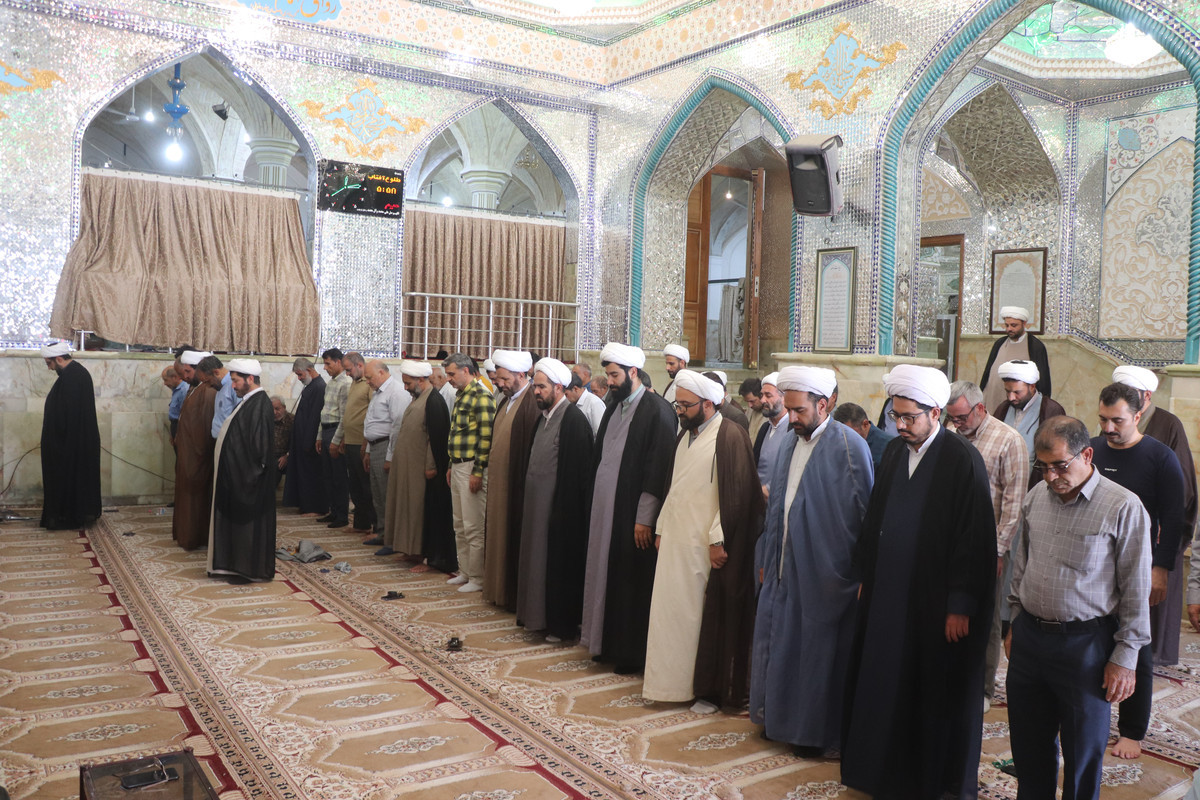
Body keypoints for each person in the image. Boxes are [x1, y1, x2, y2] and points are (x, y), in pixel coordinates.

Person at [841, 365, 996, 800]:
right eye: (896, 416)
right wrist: (866, 577)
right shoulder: (894, 452)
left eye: (910, 417)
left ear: (936, 413)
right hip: (887, 597)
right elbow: (875, 520)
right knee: (883, 681)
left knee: (926, 690)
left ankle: (926, 782)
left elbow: (973, 540)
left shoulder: (962, 459)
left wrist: (960, 604)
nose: (901, 425)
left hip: (934, 604)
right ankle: (880, 774)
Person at [1006, 416, 1150, 800]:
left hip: (1085, 645)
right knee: (1028, 746)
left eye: (1059, 465)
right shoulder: (1036, 497)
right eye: (1043, 467)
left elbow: (1136, 591)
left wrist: (1125, 658)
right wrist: (1015, 621)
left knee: (1082, 751)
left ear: (1086, 455)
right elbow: (1021, 565)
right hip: (1030, 639)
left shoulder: (1123, 506)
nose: (1051, 476)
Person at [751, 366, 871, 755]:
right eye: (789, 410)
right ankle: (778, 720)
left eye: (799, 410)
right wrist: (769, 555)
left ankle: (812, 734)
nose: (792, 418)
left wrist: (855, 577)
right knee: (780, 644)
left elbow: (866, 519)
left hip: (825, 576)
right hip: (783, 567)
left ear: (824, 404)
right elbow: (778, 507)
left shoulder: (850, 446)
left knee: (816, 656)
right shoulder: (789, 440)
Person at [643, 369, 763, 711]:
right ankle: (671, 685)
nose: (679, 411)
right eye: (678, 405)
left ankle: (706, 688)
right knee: (672, 617)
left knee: (701, 619)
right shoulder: (685, 435)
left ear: (708, 404)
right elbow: (673, 488)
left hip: (704, 547)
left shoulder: (730, 435)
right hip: (676, 543)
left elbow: (737, 495)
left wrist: (718, 540)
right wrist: (661, 528)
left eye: (685, 405)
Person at [1089, 381, 1186, 760]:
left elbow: (1174, 519)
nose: (1108, 428)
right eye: (1103, 419)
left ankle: (1131, 730)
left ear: (1138, 415)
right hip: (1091, 569)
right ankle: (1087, 716)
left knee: (1135, 647)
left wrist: (1161, 569)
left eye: (1117, 420)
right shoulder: (1092, 449)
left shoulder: (1160, 457)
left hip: (1138, 568)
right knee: (1089, 643)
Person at [581, 343, 677, 674]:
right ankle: (604, 644)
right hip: (606, 511)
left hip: (633, 517)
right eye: (607, 375)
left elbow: (657, 468)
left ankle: (629, 653)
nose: (609, 382)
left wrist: (644, 518)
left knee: (629, 582)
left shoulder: (657, 411)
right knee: (604, 575)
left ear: (633, 372)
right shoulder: (614, 406)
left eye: (614, 375)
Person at [943, 380, 1028, 710]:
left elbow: (1013, 503)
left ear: (980, 408)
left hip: (986, 547)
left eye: (962, 417)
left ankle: (982, 688)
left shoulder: (1008, 440)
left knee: (985, 619)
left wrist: (998, 550)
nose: (957, 423)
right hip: (949, 544)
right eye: (952, 418)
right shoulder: (950, 434)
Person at [1114, 364, 1198, 668]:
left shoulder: (1168, 424)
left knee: (1152, 597)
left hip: (1156, 523)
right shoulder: (1114, 422)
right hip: (1118, 522)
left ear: (1146, 396)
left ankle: (1149, 659)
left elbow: (1182, 482)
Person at [515, 358, 595, 641]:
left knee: (557, 567)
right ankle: (536, 618)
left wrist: (562, 513)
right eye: (535, 387)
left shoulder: (573, 421)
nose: (536, 392)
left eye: (542, 387)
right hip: (536, 510)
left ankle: (560, 626)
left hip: (559, 513)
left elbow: (577, 478)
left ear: (559, 387)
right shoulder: (544, 417)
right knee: (535, 562)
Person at [207, 359, 275, 583]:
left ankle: (247, 570)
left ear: (250, 379)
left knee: (248, 527)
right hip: (237, 476)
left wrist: (246, 476)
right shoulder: (249, 401)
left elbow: (259, 448)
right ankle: (234, 566)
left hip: (247, 479)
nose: (233, 385)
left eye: (236, 381)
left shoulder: (260, 404)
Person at [483, 350, 540, 609]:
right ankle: (496, 591)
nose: (501, 384)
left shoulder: (531, 403)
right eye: (499, 379)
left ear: (521, 374)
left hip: (514, 488)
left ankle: (509, 595)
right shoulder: (505, 401)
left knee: (511, 539)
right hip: (498, 485)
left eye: (505, 379)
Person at [384, 361, 452, 570]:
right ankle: (412, 551)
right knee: (408, 509)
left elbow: (436, 439)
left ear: (421, 380)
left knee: (422, 512)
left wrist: (430, 466)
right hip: (409, 468)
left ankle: (429, 557)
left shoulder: (434, 401)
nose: (405, 387)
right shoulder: (419, 398)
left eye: (408, 383)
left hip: (423, 471)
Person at [444, 353, 496, 593]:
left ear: (466, 371)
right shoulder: (461, 394)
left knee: (473, 525)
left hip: (472, 467)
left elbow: (486, 438)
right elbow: (456, 434)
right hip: (458, 465)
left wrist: (478, 472)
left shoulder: (481, 396)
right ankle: (464, 571)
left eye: (452, 374)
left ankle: (478, 577)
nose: (449, 379)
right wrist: (450, 465)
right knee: (459, 523)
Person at [38, 341, 101, 530]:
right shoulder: (74, 374)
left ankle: (69, 516)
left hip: (71, 444)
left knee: (70, 480)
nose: (49, 368)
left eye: (49, 363)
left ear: (59, 359)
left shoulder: (73, 376)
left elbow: (68, 416)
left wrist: (57, 441)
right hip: (72, 442)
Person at [361, 360, 410, 554]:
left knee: (388, 494)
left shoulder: (396, 392)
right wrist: (367, 451)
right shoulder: (378, 391)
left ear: (381, 373)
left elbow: (397, 427)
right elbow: (372, 422)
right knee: (378, 494)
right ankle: (382, 533)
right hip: (375, 447)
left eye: (369, 377)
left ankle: (392, 540)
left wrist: (390, 456)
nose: (367, 381)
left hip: (386, 447)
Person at [173, 349, 217, 550]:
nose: (185, 376)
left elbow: (206, 428)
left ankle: (194, 538)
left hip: (197, 457)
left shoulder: (207, 391)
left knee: (196, 500)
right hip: (188, 455)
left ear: (199, 370)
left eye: (188, 372)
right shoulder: (196, 388)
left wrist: (197, 455)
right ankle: (187, 536)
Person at [993, 359, 1064, 482]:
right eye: (1008, 391)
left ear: (1032, 386)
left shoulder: (1051, 410)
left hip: (1033, 482)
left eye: (1017, 392)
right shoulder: (1003, 408)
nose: (1011, 397)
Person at [980, 305, 1051, 413]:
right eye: (1007, 325)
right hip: (993, 400)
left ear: (1024, 324)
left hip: (1021, 406)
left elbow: (1043, 381)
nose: (1009, 329)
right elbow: (987, 374)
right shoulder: (999, 343)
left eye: (1014, 325)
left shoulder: (1035, 346)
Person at [335, 352, 375, 535]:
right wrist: (344, 438)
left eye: (349, 369)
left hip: (362, 442)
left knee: (366, 486)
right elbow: (351, 413)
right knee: (355, 486)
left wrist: (366, 443)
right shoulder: (354, 383)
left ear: (359, 365)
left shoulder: (369, 384)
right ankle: (360, 524)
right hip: (350, 441)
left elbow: (372, 413)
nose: (347, 373)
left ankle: (374, 525)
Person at [282, 358, 327, 516]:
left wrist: (308, 441)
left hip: (309, 441)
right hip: (302, 440)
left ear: (309, 370)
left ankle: (314, 507)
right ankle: (305, 505)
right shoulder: (311, 386)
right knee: (303, 474)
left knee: (311, 475)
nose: (299, 378)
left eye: (300, 375)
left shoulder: (319, 387)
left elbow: (314, 418)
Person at [315, 348, 351, 528]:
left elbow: (344, 416)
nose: (325, 368)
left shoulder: (346, 383)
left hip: (336, 430)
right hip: (327, 430)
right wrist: (319, 436)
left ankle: (342, 515)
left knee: (339, 477)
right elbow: (325, 411)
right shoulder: (331, 383)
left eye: (328, 364)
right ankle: (333, 511)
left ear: (338, 362)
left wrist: (337, 440)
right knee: (327, 476)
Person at [751, 372, 788, 495]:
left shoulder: (793, 430)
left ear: (784, 398)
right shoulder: (765, 428)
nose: (762, 400)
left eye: (768, 395)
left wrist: (768, 490)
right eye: (761, 395)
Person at [832, 401, 895, 473]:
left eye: (849, 433)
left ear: (865, 424)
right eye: (841, 434)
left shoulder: (889, 446)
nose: (845, 438)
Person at [206, 356, 239, 439]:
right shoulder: (220, 386)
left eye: (208, 381)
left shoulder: (233, 385)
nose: (208, 386)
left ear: (216, 372)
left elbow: (239, 416)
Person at [271, 396, 293, 487]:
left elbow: (297, 444)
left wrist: (287, 456)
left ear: (284, 407)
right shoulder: (266, 420)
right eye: (271, 409)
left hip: (284, 457)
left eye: (277, 409)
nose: (274, 412)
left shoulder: (292, 420)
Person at [163, 365, 187, 443]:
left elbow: (185, 415)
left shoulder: (183, 390)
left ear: (174, 377)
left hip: (180, 428)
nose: (165, 383)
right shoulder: (176, 390)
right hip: (175, 427)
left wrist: (179, 434)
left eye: (166, 380)